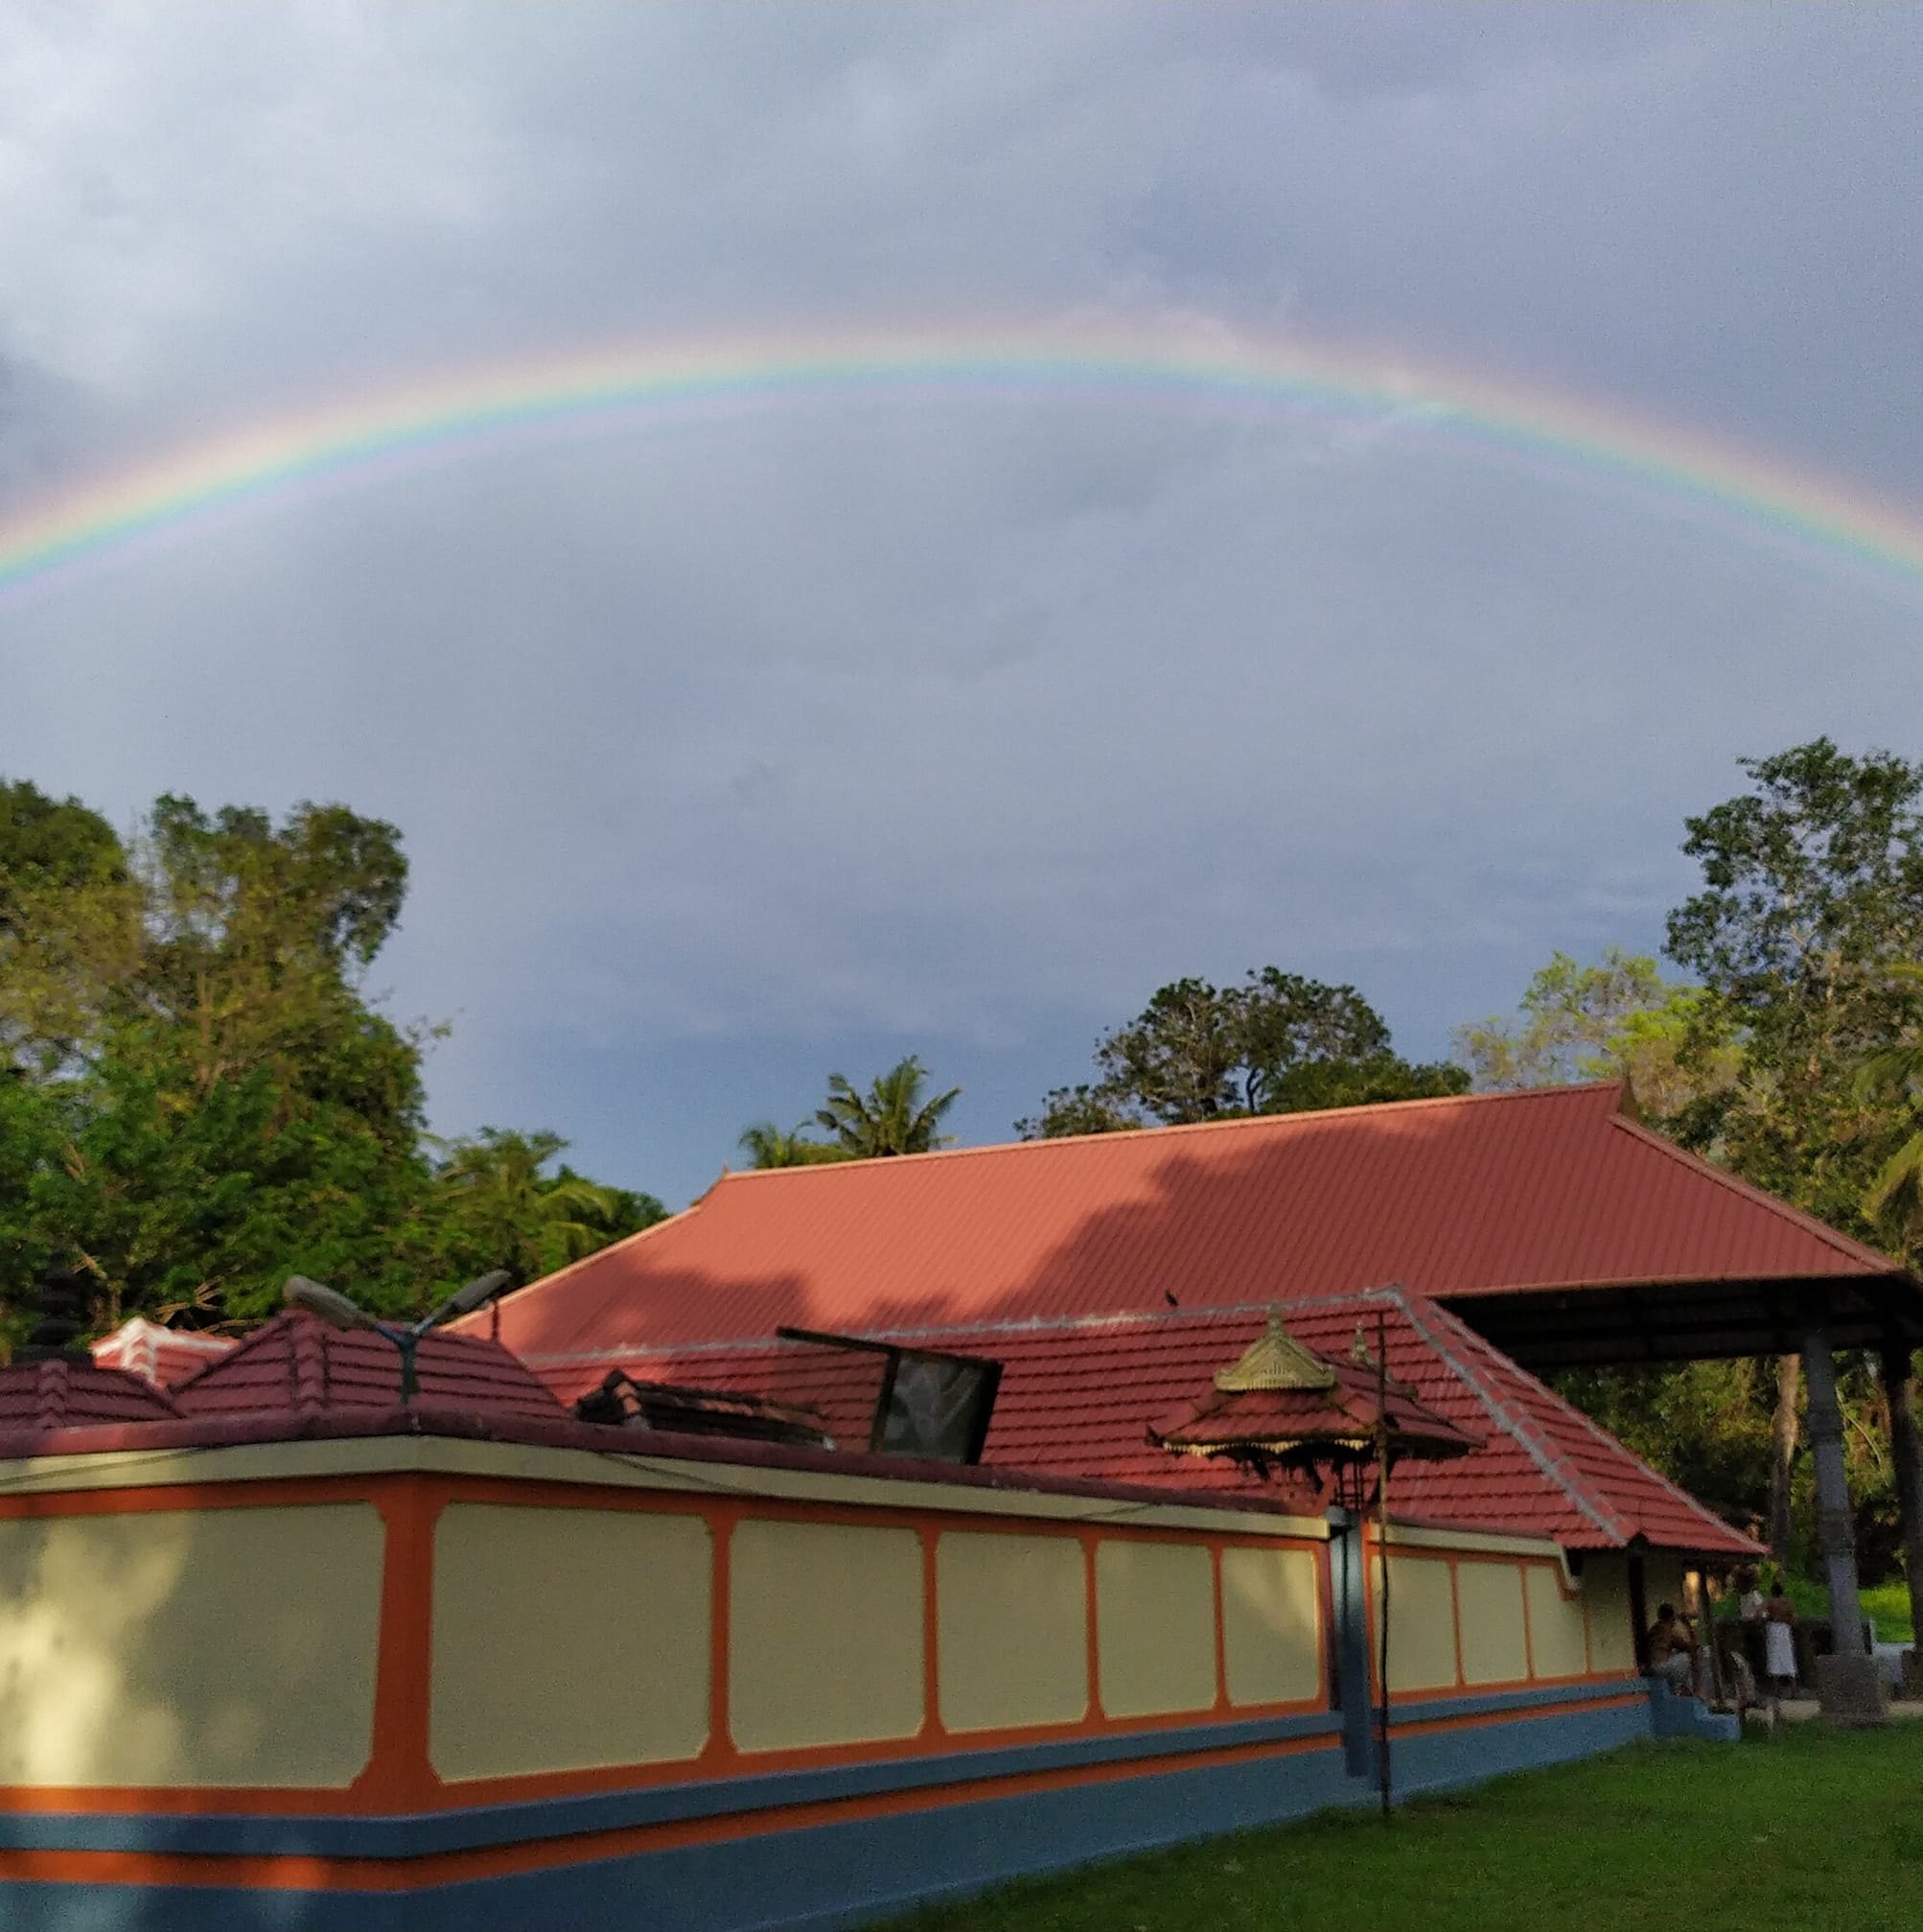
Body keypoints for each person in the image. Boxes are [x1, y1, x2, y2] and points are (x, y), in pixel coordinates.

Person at [1647, 1602, 1700, 1692]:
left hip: (1652, 1666)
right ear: (1672, 1618)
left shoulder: (1654, 1628)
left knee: (1676, 1655)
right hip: (1660, 1667)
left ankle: (1678, 1687)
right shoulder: (1667, 1629)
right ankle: (1682, 1687)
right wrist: (1687, 1625)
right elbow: (1687, 1646)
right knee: (1685, 1658)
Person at [1763, 1580, 1798, 1700]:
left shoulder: (1770, 1603)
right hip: (1785, 1630)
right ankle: (1794, 1690)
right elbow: (1794, 1619)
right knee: (1788, 1659)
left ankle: (1776, 1690)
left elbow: (1760, 1613)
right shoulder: (1787, 1603)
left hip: (1774, 1629)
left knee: (1774, 1658)